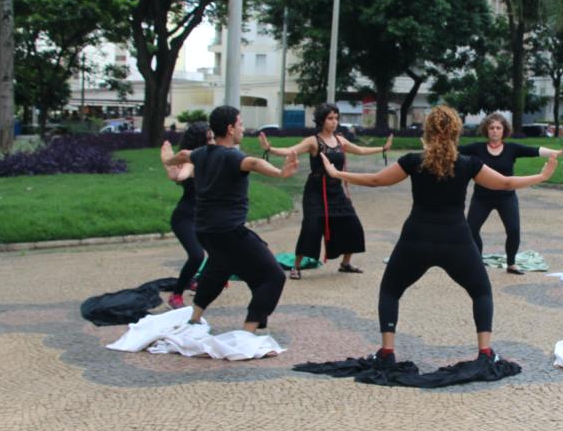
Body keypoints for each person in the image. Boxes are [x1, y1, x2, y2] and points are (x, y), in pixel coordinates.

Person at [318, 105, 557, 363]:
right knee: (481, 292)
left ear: (428, 132)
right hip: (457, 240)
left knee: (390, 290)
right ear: (456, 132)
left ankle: (387, 351)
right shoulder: (468, 163)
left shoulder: (413, 161)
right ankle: (485, 352)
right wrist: (541, 176)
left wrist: (337, 173)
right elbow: (505, 183)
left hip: (416, 238)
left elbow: (376, 180)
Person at [162, 105, 298, 332]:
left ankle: (194, 319)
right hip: (229, 233)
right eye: (240, 124)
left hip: (205, 232)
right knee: (274, 276)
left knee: (219, 267)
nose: (243, 129)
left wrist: (168, 160)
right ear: (230, 129)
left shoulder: (201, 153)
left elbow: (184, 154)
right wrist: (280, 173)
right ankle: (247, 333)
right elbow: (254, 163)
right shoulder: (232, 156)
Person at [259, 104, 392, 279]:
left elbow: (360, 150)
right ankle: (296, 266)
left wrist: (382, 148)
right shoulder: (313, 141)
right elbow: (291, 150)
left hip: (336, 190)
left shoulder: (340, 140)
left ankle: (345, 264)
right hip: (316, 191)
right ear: (322, 120)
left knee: (352, 223)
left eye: (336, 118)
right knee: (311, 227)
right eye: (330, 118)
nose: (334, 121)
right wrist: (270, 149)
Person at [458, 113, 563, 275]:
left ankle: (511, 263)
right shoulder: (477, 148)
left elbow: (534, 150)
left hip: (506, 197)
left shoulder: (511, 148)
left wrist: (557, 152)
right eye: (491, 128)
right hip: (482, 198)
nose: (495, 131)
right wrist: (432, 146)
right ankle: (478, 261)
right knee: (472, 230)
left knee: (513, 230)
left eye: (498, 128)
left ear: (504, 130)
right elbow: (454, 150)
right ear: (486, 130)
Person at [159, 121, 212, 310]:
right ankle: (176, 295)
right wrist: (168, 160)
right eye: (208, 138)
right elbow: (178, 176)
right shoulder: (190, 161)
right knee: (197, 255)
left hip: (204, 217)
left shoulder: (211, 157)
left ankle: (198, 280)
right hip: (185, 217)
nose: (212, 141)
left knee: (220, 252)